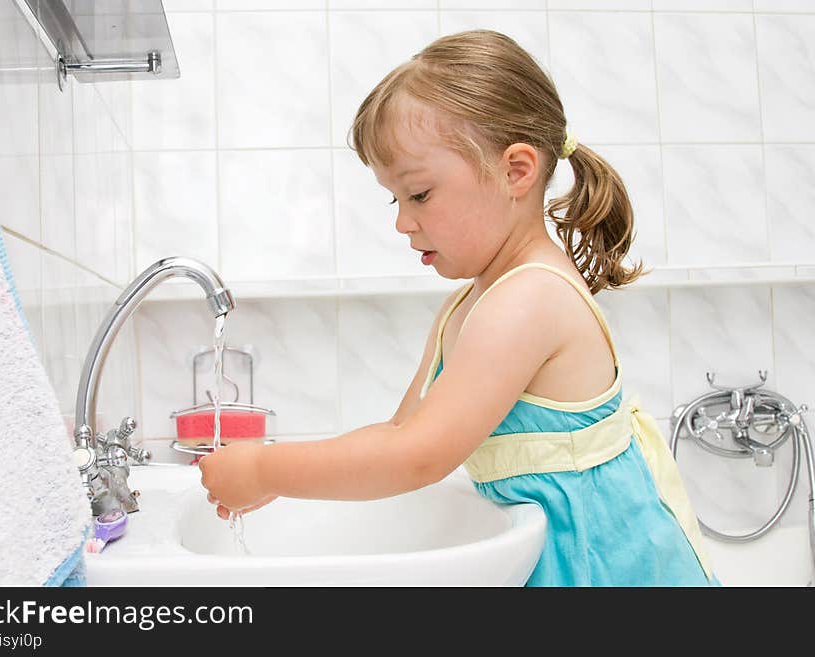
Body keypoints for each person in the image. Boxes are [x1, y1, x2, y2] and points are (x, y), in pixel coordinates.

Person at [199, 29, 718, 586]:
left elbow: (417, 456)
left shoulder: (529, 298)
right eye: (394, 198)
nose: (402, 220)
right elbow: (400, 431)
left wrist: (262, 468)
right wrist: (276, 477)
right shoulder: (469, 304)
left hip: (610, 571)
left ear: (516, 171)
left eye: (419, 194)